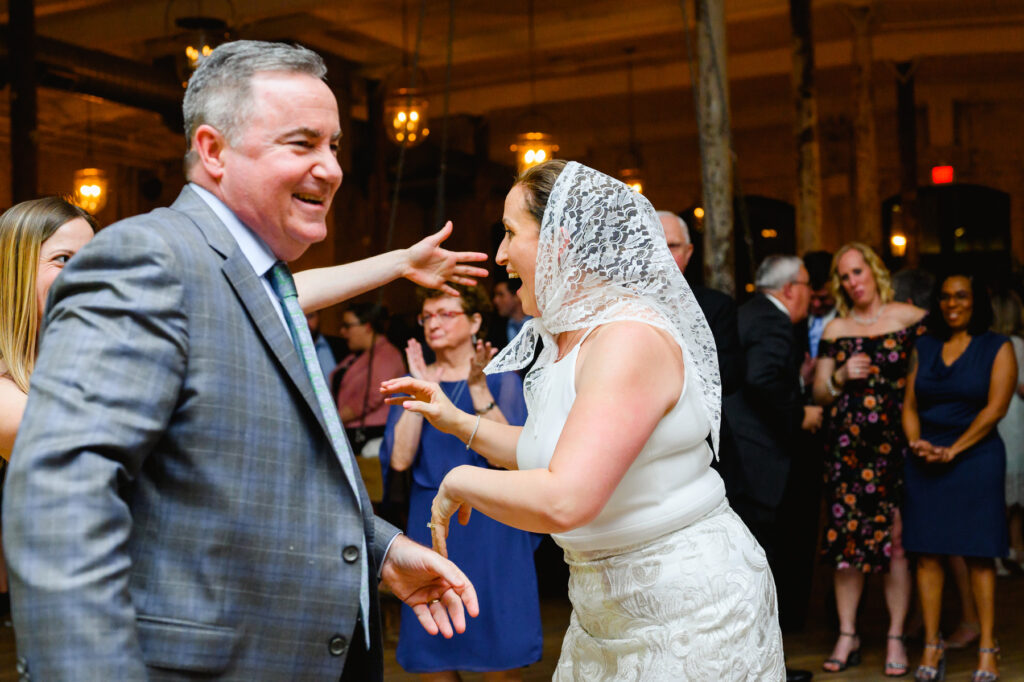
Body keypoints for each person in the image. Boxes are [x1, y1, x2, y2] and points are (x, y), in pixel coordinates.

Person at [2, 40, 483, 680]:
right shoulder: (148, 260)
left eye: (334, 146)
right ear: (213, 151)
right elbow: (61, 503)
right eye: (301, 143)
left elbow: (263, 481)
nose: (331, 168)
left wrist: (381, 550)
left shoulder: (262, 281)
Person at [383, 160, 785, 680]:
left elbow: (567, 497)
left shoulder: (627, 339)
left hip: (687, 608)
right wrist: (456, 421)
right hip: (602, 614)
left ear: (559, 240)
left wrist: (460, 480)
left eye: (509, 234)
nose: (501, 255)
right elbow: (550, 449)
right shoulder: (566, 336)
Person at [381, 284, 540, 680]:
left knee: (499, 658)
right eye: (427, 316)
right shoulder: (413, 379)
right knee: (433, 653)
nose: (434, 324)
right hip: (432, 526)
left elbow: (514, 459)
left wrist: (477, 388)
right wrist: (420, 388)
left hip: (492, 523)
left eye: (446, 314)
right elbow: (400, 458)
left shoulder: (502, 376)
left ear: (475, 322)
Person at [812, 242, 926, 676]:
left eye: (857, 272)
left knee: (896, 542)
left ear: (874, 271)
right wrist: (839, 377)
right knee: (847, 544)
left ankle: (896, 635)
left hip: (896, 448)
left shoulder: (911, 320)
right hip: (846, 450)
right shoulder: (835, 328)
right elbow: (820, 391)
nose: (852, 282)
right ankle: (848, 632)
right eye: (844, 276)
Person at [902, 272, 1016, 682]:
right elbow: (910, 404)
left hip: (976, 457)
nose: (952, 303)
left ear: (976, 301)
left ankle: (988, 646)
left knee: (979, 554)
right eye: (946, 297)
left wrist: (954, 449)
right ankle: (932, 645)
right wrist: (917, 443)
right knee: (928, 554)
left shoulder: (997, 347)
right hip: (925, 459)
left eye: (961, 296)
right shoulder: (925, 345)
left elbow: (995, 409)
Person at [724, 255, 821, 682]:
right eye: (808, 286)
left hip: (738, 456)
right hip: (758, 458)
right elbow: (762, 378)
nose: (811, 296)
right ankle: (764, 669)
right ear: (789, 289)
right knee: (759, 570)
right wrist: (800, 413)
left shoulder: (746, 312)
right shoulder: (775, 320)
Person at [333, 302, 405, 451]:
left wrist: (332, 420)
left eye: (347, 326)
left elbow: (373, 396)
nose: (342, 332)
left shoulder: (386, 355)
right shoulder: (356, 356)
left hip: (371, 435)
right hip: (351, 432)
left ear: (367, 326)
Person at [994, 296, 1024, 576]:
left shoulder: (990, 345)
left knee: (1010, 494)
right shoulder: (1016, 346)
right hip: (1013, 420)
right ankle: (1004, 552)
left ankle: (1011, 551)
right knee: (1010, 495)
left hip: (1002, 420)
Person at [307, 309, 348, 381]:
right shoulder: (290, 350)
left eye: (310, 316)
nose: (305, 323)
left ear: (319, 317)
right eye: (300, 318)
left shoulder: (341, 345)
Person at [491, 278, 531, 348]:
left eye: (501, 295)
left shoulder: (539, 324)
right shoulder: (496, 329)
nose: (495, 300)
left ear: (517, 296)